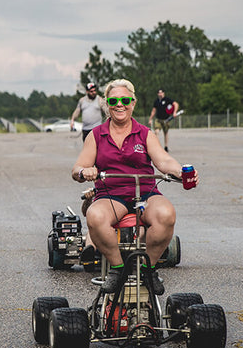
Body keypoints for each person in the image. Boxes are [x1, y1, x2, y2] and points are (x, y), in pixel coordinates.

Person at [72, 79, 197, 296]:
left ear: (133, 103)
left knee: (166, 214)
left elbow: (164, 161)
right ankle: (118, 268)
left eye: (125, 100)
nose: (119, 105)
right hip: (111, 194)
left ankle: (149, 269)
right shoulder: (96, 135)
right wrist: (85, 171)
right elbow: (78, 168)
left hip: (146, 193)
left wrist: (181, 172)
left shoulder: (145, 133)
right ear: (107, 104)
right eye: (113, 100)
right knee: (94, 216)